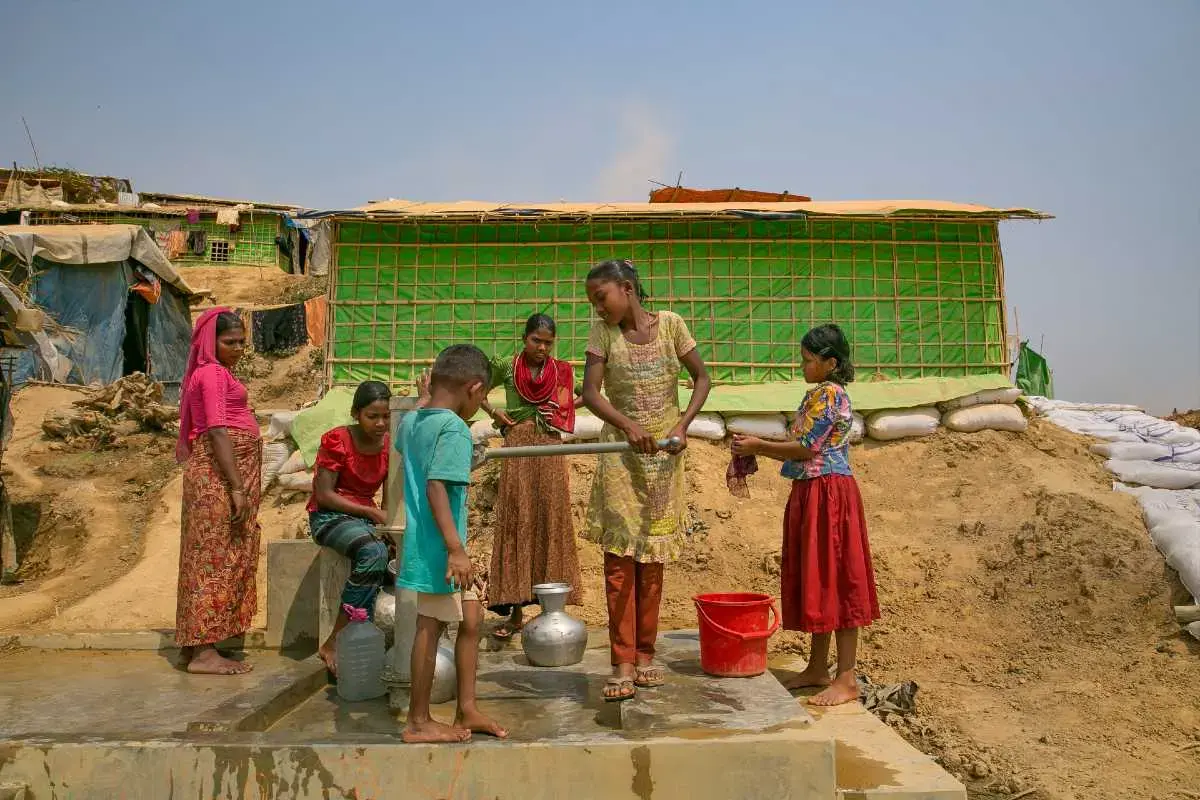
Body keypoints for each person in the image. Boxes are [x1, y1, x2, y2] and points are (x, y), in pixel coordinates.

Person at [581, 259, 711, 702]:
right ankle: (621, 659)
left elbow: (701, 378)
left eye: (601, 298)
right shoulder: (603, 335)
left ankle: (646, 654)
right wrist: (629, 427)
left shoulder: (672, 326)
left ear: (627, 288)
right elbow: (591, 394)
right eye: (593, 302)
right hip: (621, 459)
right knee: (620, 562)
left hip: (663, 461)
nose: (597, 308)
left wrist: (683, 425)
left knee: (652, 562)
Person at [731, 323, 880, 706]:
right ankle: (817, 667)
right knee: (823, 578)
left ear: (830, 363)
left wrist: (758, 446)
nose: (802, 366)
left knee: (841, 582)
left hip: (829, 493)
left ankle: (846, 678)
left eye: (808, 360)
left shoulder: (828, 395)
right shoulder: (817, 396)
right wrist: (760, 445)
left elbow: (806, 447)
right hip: (816, 491)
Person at [397, 344, 508, 743]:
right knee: (429, 626)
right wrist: (456, 550)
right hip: (439, 549)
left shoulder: (412, 422)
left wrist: (424, 398)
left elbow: (409, 445)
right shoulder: (454, 429)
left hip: (437, 543)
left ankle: (467, 708)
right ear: (474, 388)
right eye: (483, 397)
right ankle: (418, 721)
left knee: (472, 618)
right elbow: (436, 487)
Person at [480, 313, 583, 639]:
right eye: (536, 341)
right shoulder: (507, 366)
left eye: (548, 343)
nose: (542, 348)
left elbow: (588, 392)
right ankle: (515, 614)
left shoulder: (561, 370)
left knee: (549, 520)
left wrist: (564, 408)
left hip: (550, 450)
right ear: (525, 338)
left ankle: (551, 614)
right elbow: (476, 386)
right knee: (518, 520)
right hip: (517, 449)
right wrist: (493, 411)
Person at [174, 308, 263, 676]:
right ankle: (204, 654)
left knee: (213, 555)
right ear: (211, 342)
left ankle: (199, 644)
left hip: (221, 479)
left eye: (242, 341)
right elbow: (217, 430)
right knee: (212, 559)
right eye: (230, 342)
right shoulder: (211, 374)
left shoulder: (217, 373)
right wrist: (237, 488)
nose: (239, 348)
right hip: (218, 481)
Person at [308, 380, 393, 677]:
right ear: (357, 413)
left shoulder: (389, 446)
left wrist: (391, 526)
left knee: (397, 553)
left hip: (364, 521)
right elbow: (325, 495)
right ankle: (334, 642)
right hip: (329, 517)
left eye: (386, 416)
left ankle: (374, 644)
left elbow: (390, 495)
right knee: (372, 552)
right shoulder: (337, 440)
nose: (381, 423)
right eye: (373, 416)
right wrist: (371, 511)